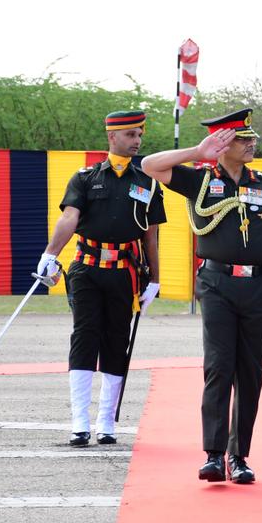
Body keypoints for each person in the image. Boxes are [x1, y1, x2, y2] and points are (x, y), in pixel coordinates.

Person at [141, 108, 262, 484]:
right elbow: (149, 165)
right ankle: (213, 454)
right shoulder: (200, 180)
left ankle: (239, 455)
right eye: (243, 139)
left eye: (251, 139)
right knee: (218, 366)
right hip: (217, 284)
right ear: (224, 143)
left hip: (260, 286)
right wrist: (197, 153)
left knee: (250, 372)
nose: (251, 145)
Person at [37, 110, 165, 447]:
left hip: (124, 272)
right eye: (130, 135)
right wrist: (50, 254)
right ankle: (80, 421)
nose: (137, 142)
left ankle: (106, 421)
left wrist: (155, 278)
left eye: (139, 135)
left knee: (116, 339)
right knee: (85, 335)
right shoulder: (85, 178)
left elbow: (150, 236)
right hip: (86, 269)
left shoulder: (147, 183)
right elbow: (69, 217)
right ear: (112, 137)